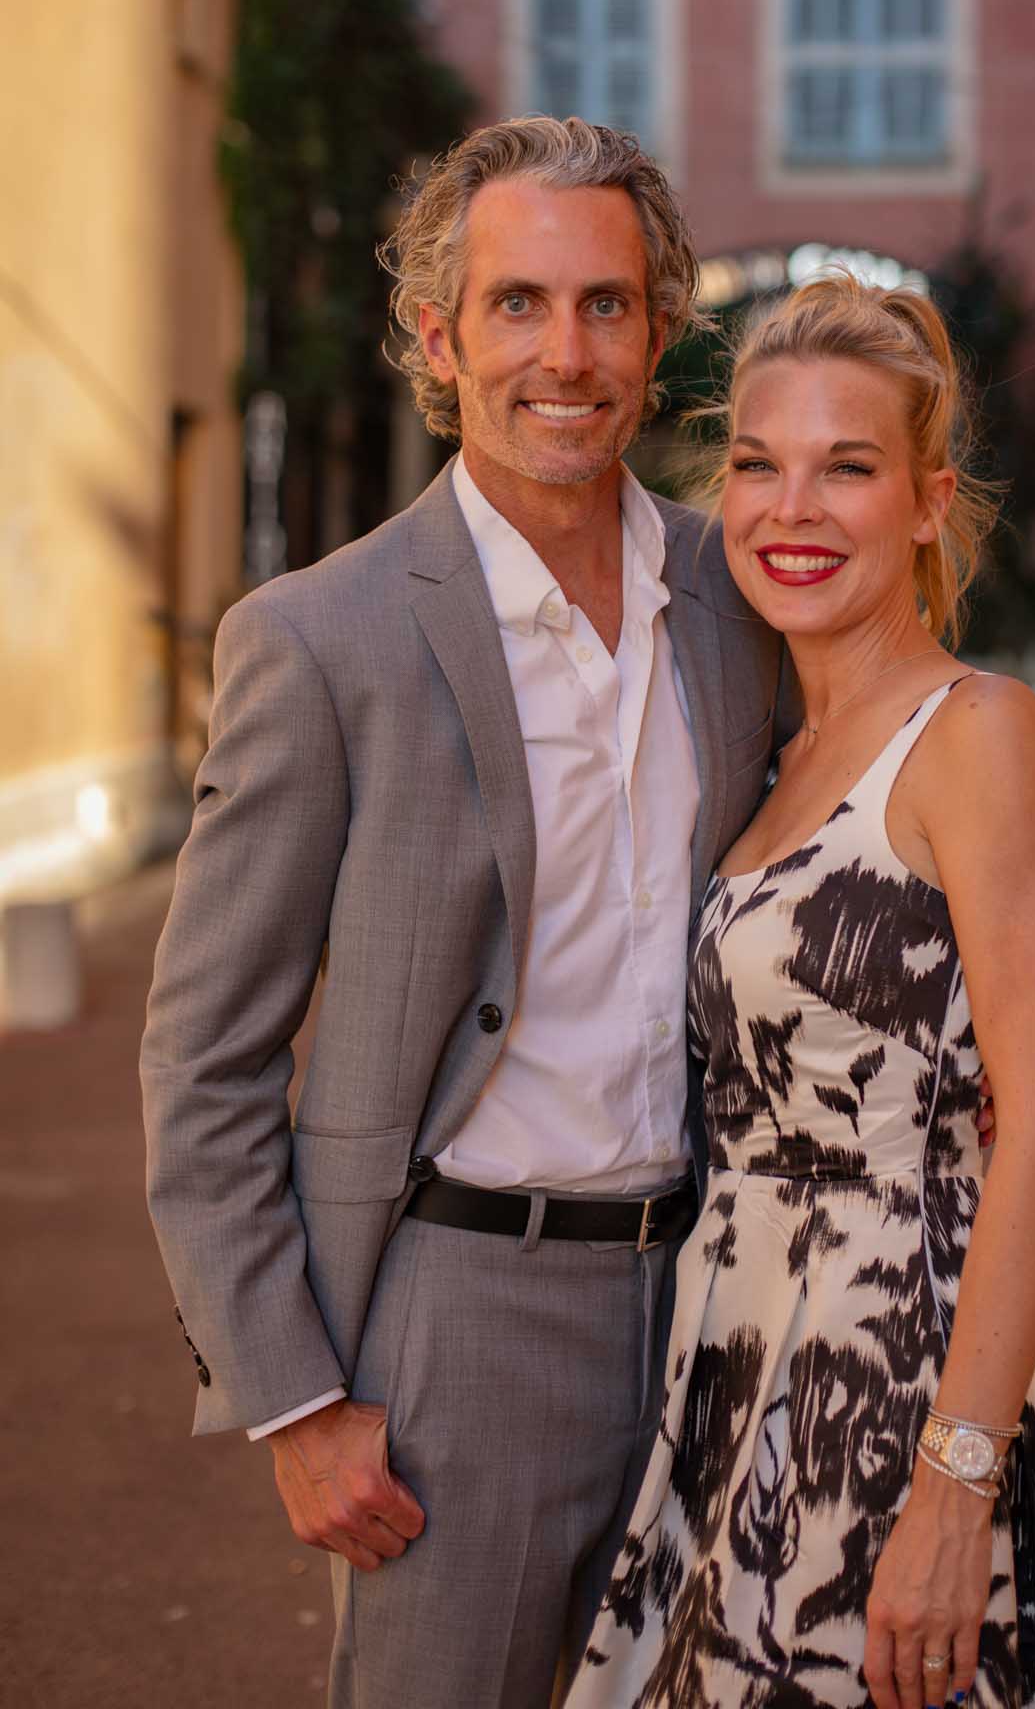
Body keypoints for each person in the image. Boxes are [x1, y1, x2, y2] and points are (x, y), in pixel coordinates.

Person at [140, 116, 797, 1709]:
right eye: (518, 304)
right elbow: (205, 1056)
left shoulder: (740, 601)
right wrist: (295, 1398)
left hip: (718, 1310)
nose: (563, 355)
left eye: (604, 305)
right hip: (460, 1320)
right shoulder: (324, 638)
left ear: (658, 331)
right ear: (439, 339)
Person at [567, 272, 1035, 1709]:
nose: (790, 509)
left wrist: (956, 1489)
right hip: (730, 1360)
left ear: (929, 503)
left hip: (888, 1385)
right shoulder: (774, 752)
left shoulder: (978, 735)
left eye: (846, 469)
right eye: (758, 464)